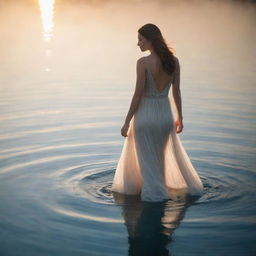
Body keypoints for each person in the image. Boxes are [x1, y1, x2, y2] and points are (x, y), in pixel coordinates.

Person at [111, 23, 204, 202]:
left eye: (140, 39)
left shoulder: (143, 63)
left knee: (147, 164)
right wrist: (180, 118)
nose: (138, 43)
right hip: (164, 117)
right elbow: (176, 92)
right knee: (159, 161)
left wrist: (126, 121)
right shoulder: (173, 61)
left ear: (151, 40)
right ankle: (161, 195)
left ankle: (154, 197)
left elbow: (138, 94)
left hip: (145, 117)